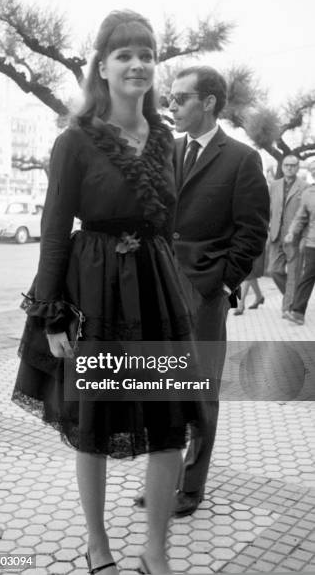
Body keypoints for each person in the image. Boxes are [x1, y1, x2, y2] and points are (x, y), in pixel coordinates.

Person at [12, 10, 204, 575]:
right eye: (124, 54)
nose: (138, 64)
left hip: (155, 289)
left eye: (147, 54)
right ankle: (98, 544)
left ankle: (155, 551)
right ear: (102, 65)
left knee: (170, 423)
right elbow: (52, 231)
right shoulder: (74, 142)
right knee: (93, 424)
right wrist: (50, 315)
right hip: (94, 291)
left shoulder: (166, 139)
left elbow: (168, 224)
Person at [134, 66, 270, 517]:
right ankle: (161, 479)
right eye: (169, 98)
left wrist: (223, 283)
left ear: (209, 101)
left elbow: (253, 232)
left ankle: (191, 484)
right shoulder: (166, 151)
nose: (170, 106)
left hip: (204, 290)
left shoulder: (242, 159)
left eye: (180, 98)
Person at [268, 154, 308, 317]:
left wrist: (304, 237)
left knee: (293, 275)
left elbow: (307, 214)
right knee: (274, 271)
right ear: (282, 166)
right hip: (276, 235)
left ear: (298, 168)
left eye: (293, 165)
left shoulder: (304, 187)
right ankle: (293, 298)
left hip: (295, 237)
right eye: (286, 165)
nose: (289, 168)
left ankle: (287, 308)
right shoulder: (274, 185)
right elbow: (269, 209)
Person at [284, 161, 315, 325]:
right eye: (313, 169)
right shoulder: (308, 193)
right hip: (312, 243)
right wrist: (291, 232)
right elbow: (300, 217)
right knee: (307, 277)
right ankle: (297, 313)